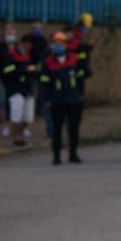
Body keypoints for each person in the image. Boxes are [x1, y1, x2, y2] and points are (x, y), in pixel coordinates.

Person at [40, 32, 87, 165]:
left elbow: (80, 78)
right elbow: (45, 83)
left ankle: (73, 154)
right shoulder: (48, 62)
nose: (58, 46)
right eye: (56, 44)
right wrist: (48, 99)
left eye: (61, 44)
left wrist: (81, 94)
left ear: (66, 45)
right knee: (57, 129)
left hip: (74, 99)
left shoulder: (74, 59)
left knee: (73, 129)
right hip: (57, 100)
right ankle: (56, 156)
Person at [4, 34, 37, 150]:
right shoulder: (11, 55)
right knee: (16, 115)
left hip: (27, 89)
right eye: (28, 45)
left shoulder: (27, 55)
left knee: (27, 116)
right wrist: (24, 70)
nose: (29, 48)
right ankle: (17, 138)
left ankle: (21, 135)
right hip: (15, 89)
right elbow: (8, 71)